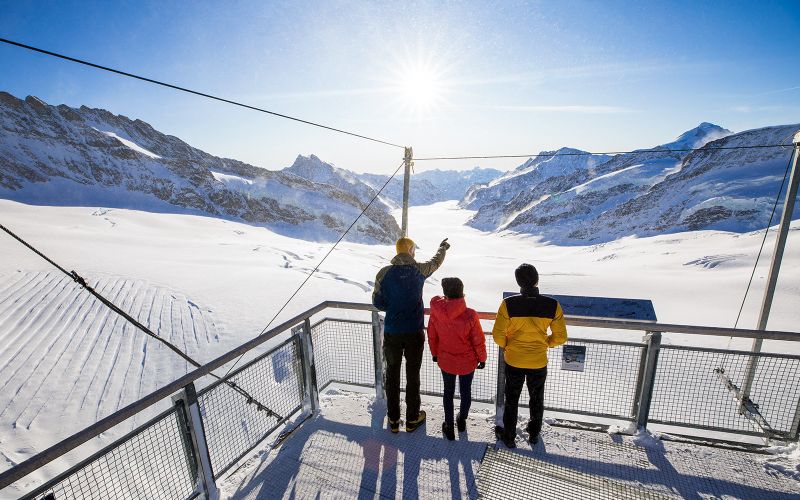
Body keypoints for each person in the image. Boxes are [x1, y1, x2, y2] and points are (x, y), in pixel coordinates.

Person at [373, 236, 450, 433]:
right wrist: (442, 248)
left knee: (392, 374)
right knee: (412, 375)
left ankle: (393, 419)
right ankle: (412, 419)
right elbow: (436, 262)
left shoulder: (384, 273)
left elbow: (377, 302)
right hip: (414, 332)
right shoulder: (419, 270)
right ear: (410, 251)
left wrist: (394, 306)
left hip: (392, 333)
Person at [492, 263, 567, 447]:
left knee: (512, 399)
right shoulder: (553, 305)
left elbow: (497, 335)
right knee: (536, 398)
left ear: (518, 282)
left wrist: (509, 346)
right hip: (538, 361)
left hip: (514, 360)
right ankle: (534, 433)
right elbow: (561, 337)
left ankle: (509, 436)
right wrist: (546, 343)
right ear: (537, 280)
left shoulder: (508, 304)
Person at [428, 277, 487, 441]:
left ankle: (449, 426)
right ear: (461, 292)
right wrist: (482, 358)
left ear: (445, 293)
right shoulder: (470, 315)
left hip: (446, 359)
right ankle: (462, 420)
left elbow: (432, 335)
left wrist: (435, 353)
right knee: (465, 391)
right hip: (467, 362)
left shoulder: (437, 311)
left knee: (448, 392)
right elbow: (478, 340)